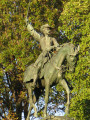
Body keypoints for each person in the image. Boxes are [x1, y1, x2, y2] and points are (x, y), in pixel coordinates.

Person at [25, 18, 59, 85]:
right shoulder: (41, 38)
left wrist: (53, 47)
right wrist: (27, 24)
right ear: (43, 30)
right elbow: (33, 32)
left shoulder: (53, 39)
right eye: (47, 29)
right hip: (44, 56)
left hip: (51, 56)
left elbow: (57, 46)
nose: (48, 30)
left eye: (49, 29)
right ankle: (34, 82)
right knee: (38, 67)